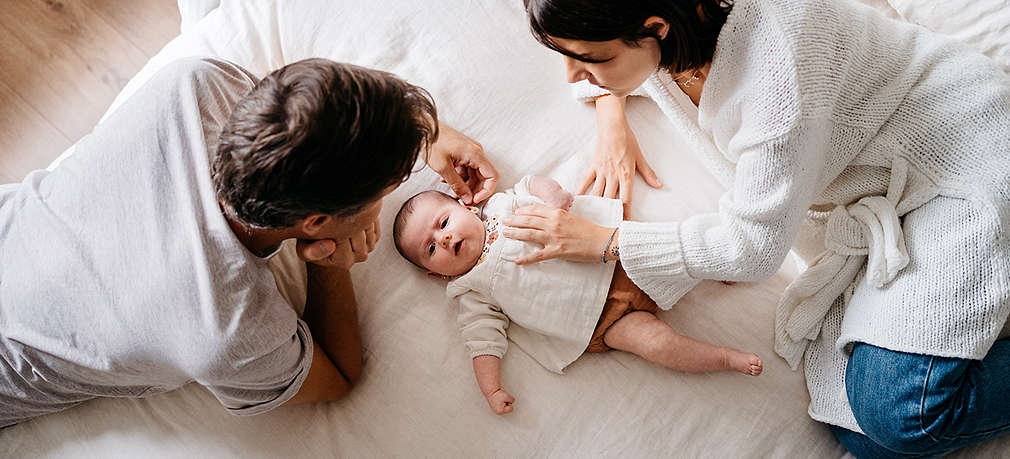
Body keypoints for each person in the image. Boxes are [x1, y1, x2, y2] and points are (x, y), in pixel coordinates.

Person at [515, 0, 1010, 456]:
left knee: (904, 418)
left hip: (959, 159)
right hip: (881, 181)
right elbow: (603, 56)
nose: (572, 76)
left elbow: (754, 248)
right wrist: (611, 116)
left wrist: (608, 242)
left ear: (656, 29)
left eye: (588, 59)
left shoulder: (777, 72)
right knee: (861, 437)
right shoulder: (672, 28)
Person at [0, 56, 498, 427]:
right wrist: (330, 266)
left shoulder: (197, 86)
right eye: (388, 191)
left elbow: (303, 100)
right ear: (316, 222)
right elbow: (338, 377)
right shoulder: (227, 326)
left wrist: (418, 131)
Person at [392, 176, 763, 415]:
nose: (442, 238)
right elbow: (482, 340)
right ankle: (724, 357)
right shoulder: (472, 291)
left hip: (612, 257)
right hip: (603, 323)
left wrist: (555, 199)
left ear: (466, 207)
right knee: (655, 344)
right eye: (430, 248)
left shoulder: (504, 209)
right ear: (435, 274)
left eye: (443, 223)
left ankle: (715, 264)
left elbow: (530, 185)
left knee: (671, 254)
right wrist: (492, 389)